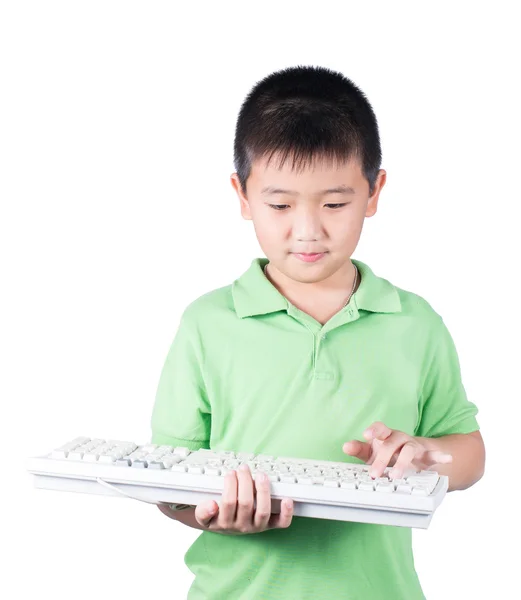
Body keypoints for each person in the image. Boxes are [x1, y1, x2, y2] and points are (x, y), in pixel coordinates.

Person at [150, 65, 486, 600]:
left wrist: (426, 453)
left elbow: (468, 451)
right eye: (280, 205)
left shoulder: (415, 324)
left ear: (374, 192)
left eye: (334, 204)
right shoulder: (206, 325)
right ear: (242, 195)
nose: (308, 230)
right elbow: (168, 484)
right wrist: (211, 515)